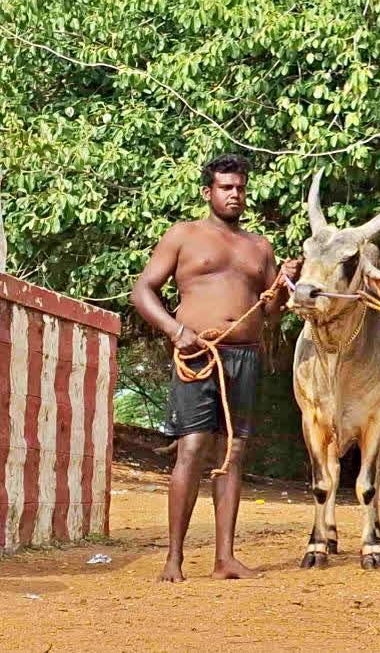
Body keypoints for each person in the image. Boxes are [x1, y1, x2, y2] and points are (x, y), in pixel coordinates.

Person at [132, 154, 301, 582]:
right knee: (191, 449)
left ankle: (225, 558)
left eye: (240, 188)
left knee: (234, 452)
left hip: (245, 356)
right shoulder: (183, 235)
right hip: (197, 354)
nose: (234, 195)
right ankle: (174, 558)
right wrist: (175, 330)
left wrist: (283, 284)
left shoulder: (259, 247)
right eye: (226, 188)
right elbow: (143, 291)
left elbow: (272, 314)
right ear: (208, 192)